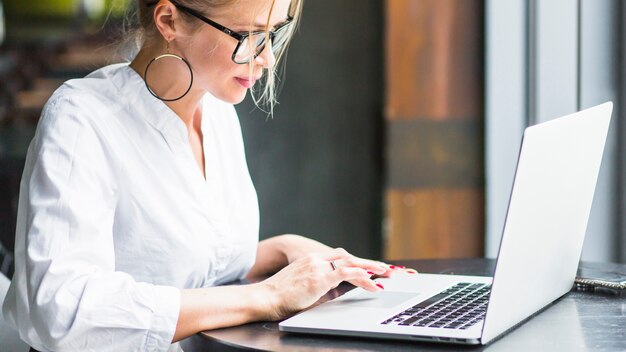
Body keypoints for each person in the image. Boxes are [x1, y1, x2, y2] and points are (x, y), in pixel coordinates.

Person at [2, 0, 412, 351]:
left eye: (274, 32)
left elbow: (189, 263)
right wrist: (267, 296)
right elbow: (61, 309)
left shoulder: (217, 115)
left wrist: (285, 251)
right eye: (247, 35)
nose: (266, 56)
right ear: (169, 21)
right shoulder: (83, 120)